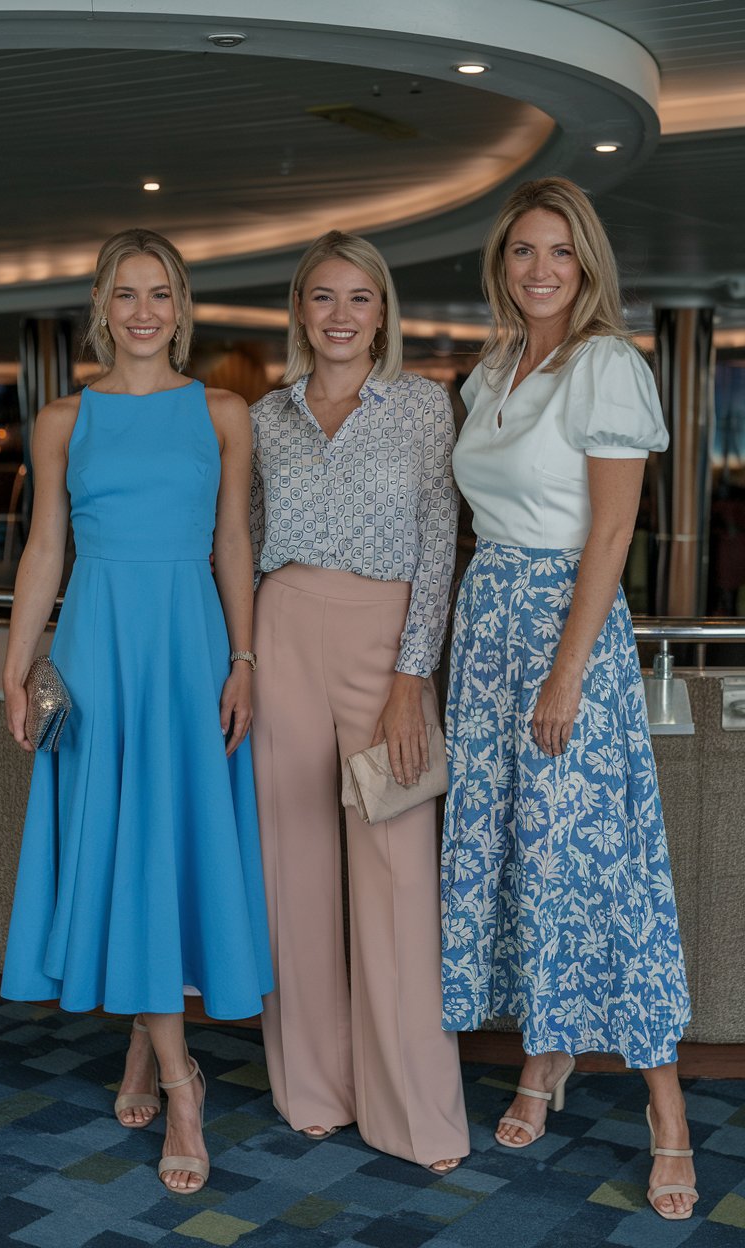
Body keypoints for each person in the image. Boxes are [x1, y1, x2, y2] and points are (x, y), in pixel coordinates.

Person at [441, 177, 697, 1219]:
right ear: (501, 265)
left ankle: (668, 1114)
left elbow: (607, 534)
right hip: (486, 623)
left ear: (586, 262)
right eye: (520, 252)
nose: (539, 269)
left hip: (563, 630)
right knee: (516, 857)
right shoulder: (492, 368)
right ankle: (542, 1061)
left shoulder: (605, 365)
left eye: (558, 251)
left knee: (599, 862)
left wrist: (564, 669)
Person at [1, 228, 273, 1195]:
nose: (145, 311)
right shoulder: (63, 418)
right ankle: (177, 1074)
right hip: (99, 653)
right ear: (102, 307)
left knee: (167, 844)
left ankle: (163, 1068)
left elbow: (236, 549)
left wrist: (243, 659)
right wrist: (17, 663)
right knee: (124, 844)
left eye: (162, 293)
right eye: (127, 294)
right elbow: (45, 551)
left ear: (182, 305)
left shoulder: (226, 413)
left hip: (190, 646)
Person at [250, 230, 470, 1172]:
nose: (340, 316)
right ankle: (314, 1090)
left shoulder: (425, 408)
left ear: (384, 312)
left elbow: (438, 543)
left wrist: (413, 675)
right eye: (323, 298)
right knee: (292, 872)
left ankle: (415, 1113)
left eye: (359, 299)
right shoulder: (266, 417)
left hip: (387, 647)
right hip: (282, 630)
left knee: (397, 876)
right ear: (301, 312)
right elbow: (243, 537)